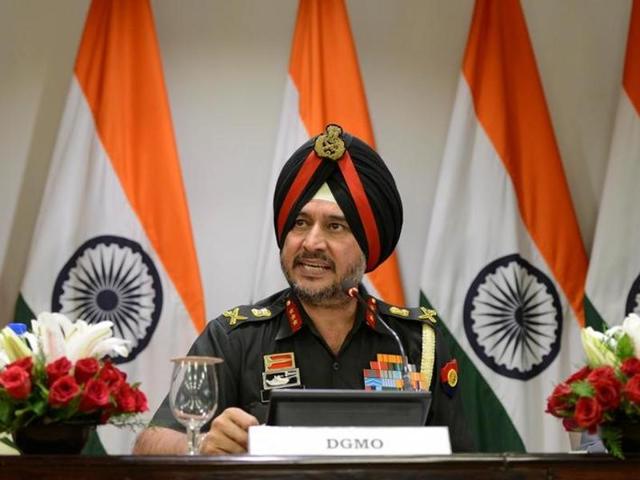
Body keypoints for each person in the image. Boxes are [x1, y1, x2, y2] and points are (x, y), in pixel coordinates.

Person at [134, 124, 473, 454]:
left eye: (335, 226)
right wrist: (200, 443)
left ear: (368, 245)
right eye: (300, 223)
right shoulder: (234, 338)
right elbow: (148, 444)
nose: (312, 243)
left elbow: (463, 464)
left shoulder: (416, 341)